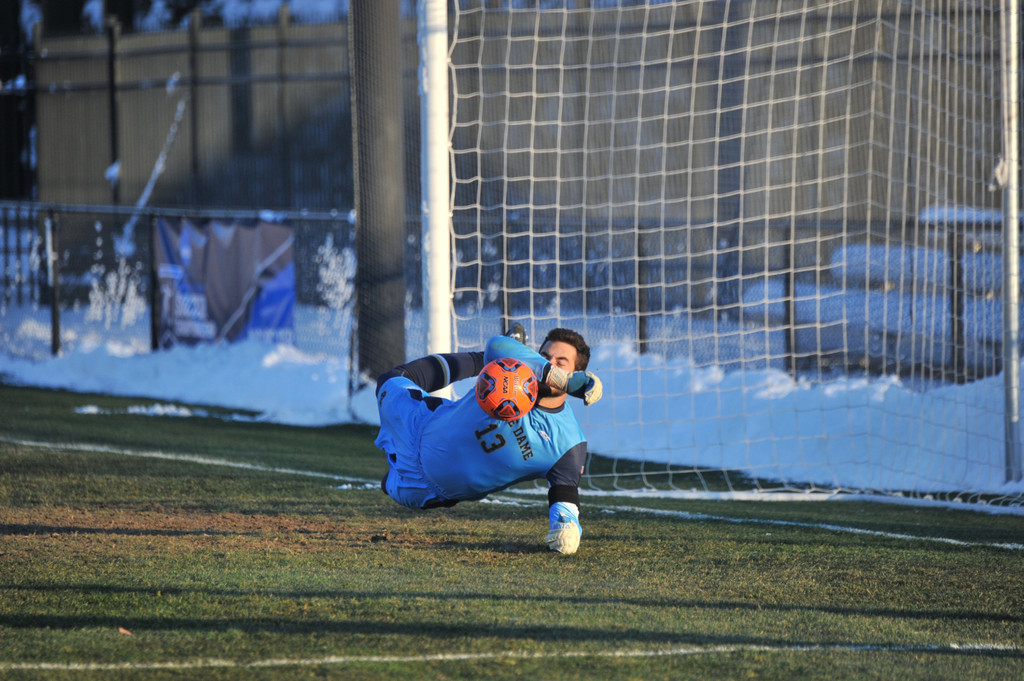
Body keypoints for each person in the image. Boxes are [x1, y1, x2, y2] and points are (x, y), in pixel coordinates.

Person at [373, 326, 603, 554]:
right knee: (391, 379)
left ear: (578, 375)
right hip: (419, 421)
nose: (550, 364)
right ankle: (489, 359)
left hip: (424, 488)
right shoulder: (509, 373)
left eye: (561, 363)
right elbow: (496, 345)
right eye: (544, 357)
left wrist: (567, 532)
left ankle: (392, 476)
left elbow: (565, 507)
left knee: (388, 484)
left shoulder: (568, 443)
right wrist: (557, 376)